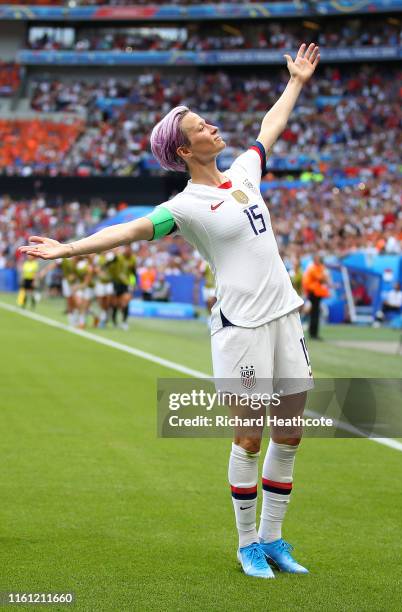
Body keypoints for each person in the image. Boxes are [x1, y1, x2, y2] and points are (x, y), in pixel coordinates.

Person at [19, 43, 320, 580]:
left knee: (290, 435)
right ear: (184, 149)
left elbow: (268, 129)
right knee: (248, 438)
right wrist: (65, 249)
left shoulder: (246, 174)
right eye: (202, 127)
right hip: (241, 329)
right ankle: (247, 543)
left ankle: (275, 539)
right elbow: (128, 231)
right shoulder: (182, 207)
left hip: (285, 318)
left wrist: (295, 82)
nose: (212, 129)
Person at [302, 254, 330, 340]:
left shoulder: (318, 267)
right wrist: (324, 278)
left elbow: (325, 278)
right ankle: (313, 334)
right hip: (313, 293)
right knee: (314, 313)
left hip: (316, 293)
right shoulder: (313, 268)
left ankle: (313, 333)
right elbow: (322, 278)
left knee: (315, 313)